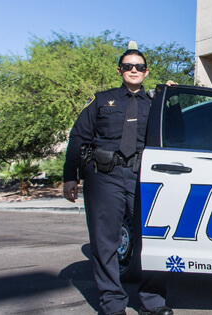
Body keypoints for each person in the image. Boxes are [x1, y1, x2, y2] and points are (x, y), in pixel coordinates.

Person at [62, 42, 172, 315]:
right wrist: (69, 177)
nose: (134, 70)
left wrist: (172, 98)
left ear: (146, 72)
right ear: (120, 70)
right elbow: (78, 137)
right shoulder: (101, 100)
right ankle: (112, 305)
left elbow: (175, 131)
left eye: (139, 67)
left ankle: (152, 302)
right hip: (104, 176)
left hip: (142, 175)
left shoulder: (156, 103)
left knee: (153, 239)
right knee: (105, 242)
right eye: (128, 66)